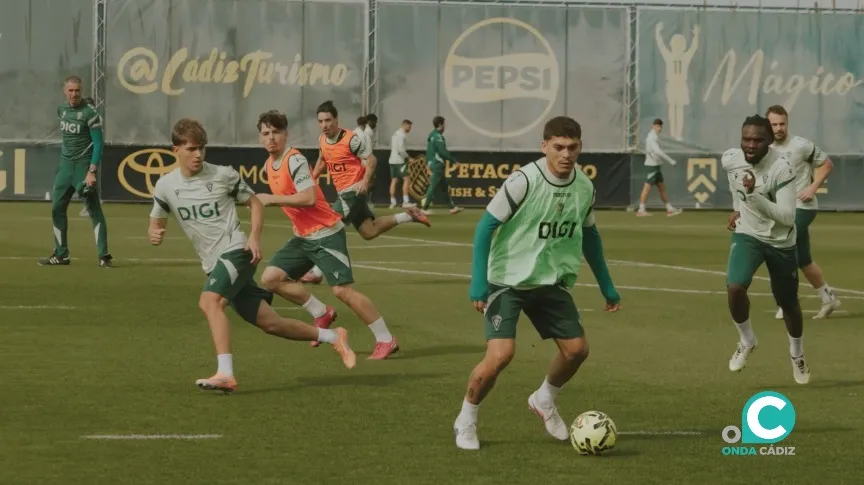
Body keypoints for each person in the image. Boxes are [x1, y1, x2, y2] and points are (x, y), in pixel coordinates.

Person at [147, 118, 356, 394]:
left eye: (202, 148)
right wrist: (155, 231)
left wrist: (254, 238)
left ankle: (225, 374)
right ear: (176, 150)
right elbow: (157, 220)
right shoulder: (165, 186)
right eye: (191, 149)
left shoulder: (223, 175)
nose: (198, 154)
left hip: (236, 252)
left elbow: (255, 202)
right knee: (271, 324)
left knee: (210, 302)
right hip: (213, 264)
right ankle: (333, 336)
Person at [453, 116, 622, 450]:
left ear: (580, 147)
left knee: (577, 351)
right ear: (544, 146)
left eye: (573, 147)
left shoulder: (584, 187)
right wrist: (478, 283)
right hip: (508, 280)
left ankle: (544, 399)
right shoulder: (523, 181)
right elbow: (485, 227)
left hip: (550, 281)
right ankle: (466, 418)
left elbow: (590, 236)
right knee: (501, 355)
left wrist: (607, 285)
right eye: (559, 147)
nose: (566, 154)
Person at [255, 110, 400, 360]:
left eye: (276, 132)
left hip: (325, 234)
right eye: (266, 133)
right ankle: (321, 312)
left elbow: (309, 197)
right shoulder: (270, 165)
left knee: (342, 291)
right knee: (271, 278)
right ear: (260, 137)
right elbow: (295, 202)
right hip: (303, 237)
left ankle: (386, 339)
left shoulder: (294, 160)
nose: (271, 138)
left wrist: (270, 200)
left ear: (285, 134)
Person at [722, 114, 809, 385]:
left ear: (769, 142)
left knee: (788, 303)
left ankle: (797, 354)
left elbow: (785, 217)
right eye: (746, 139)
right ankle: (747, 340)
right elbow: (734, 184)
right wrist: (738, 207)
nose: (750, 145)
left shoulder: (782, 168)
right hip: (748, 234)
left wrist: (753, 197)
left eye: (758, 140)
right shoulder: (731, 159)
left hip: (781, 241)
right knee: (735, 287)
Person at [303, 101, 429, 284]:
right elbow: (323, 160)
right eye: (321, 121)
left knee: (329, 226)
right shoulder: (322, 140)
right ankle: (409, 216)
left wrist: (364, 180)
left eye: (328, 120)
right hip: (346, 193)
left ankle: (316, 271)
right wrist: (312, 179)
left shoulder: (351, 139)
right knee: (369, 231)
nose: (324, 125)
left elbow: (372, 160)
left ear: (336, 120)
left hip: (353, 190)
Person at [765, 105, 840, 320]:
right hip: (781, 208)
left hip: (802, 206)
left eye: (782, 124)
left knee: (779, 250)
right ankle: (828, 298)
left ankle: (786, 303)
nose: (779, 128)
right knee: (804, 260)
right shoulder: (764, 147)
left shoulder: (801, 145)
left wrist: (813, 186)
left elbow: (827, 164)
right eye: (774, 124)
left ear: (787, 123)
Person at [39, 76, 112, 267]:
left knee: (94, 211)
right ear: (65, 91)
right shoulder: (61, 110)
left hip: (83, 168)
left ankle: (103, 256)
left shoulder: (90, 114)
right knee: (56, 209)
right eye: (70, 90)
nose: (74, 94)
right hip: (65, 167)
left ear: (81, 91)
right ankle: (61, 255)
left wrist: (92, 171)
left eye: (77, 90)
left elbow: (98, 144)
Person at [637, 118, 682, 217]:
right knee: (647, 188)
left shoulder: (655, 137)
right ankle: (641, 210)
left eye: (661, 126)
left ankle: (669, 209)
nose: (659, 128)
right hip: (652, 166)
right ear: (653, 126)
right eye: (657, 126)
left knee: (662, 188)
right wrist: (670, 161)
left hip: (656, 166)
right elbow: (657, 152)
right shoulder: (651, 137)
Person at [421, 116, 463, 215]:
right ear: (440, 125)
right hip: (437, 164)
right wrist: (454, 161)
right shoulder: (438, 137)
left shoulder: (431, 135)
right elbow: (442, 152)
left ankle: (452, 208)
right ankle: (424, 208)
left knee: (444, 187)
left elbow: (428, 151)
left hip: (432, 163)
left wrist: (427, 163)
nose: (445, 126)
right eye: (444, 124)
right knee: (433, 186)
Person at [388, 119, 415, 208]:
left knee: (394, 180)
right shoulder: (402, 135)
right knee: (407, 179)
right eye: (409, 126)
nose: (410, 128)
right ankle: (406, 202)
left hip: (392, 160)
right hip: (399, 161)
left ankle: (393, 202)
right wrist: (409, 158)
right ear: (404, 125)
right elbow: (400, 149)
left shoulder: (395, 134)